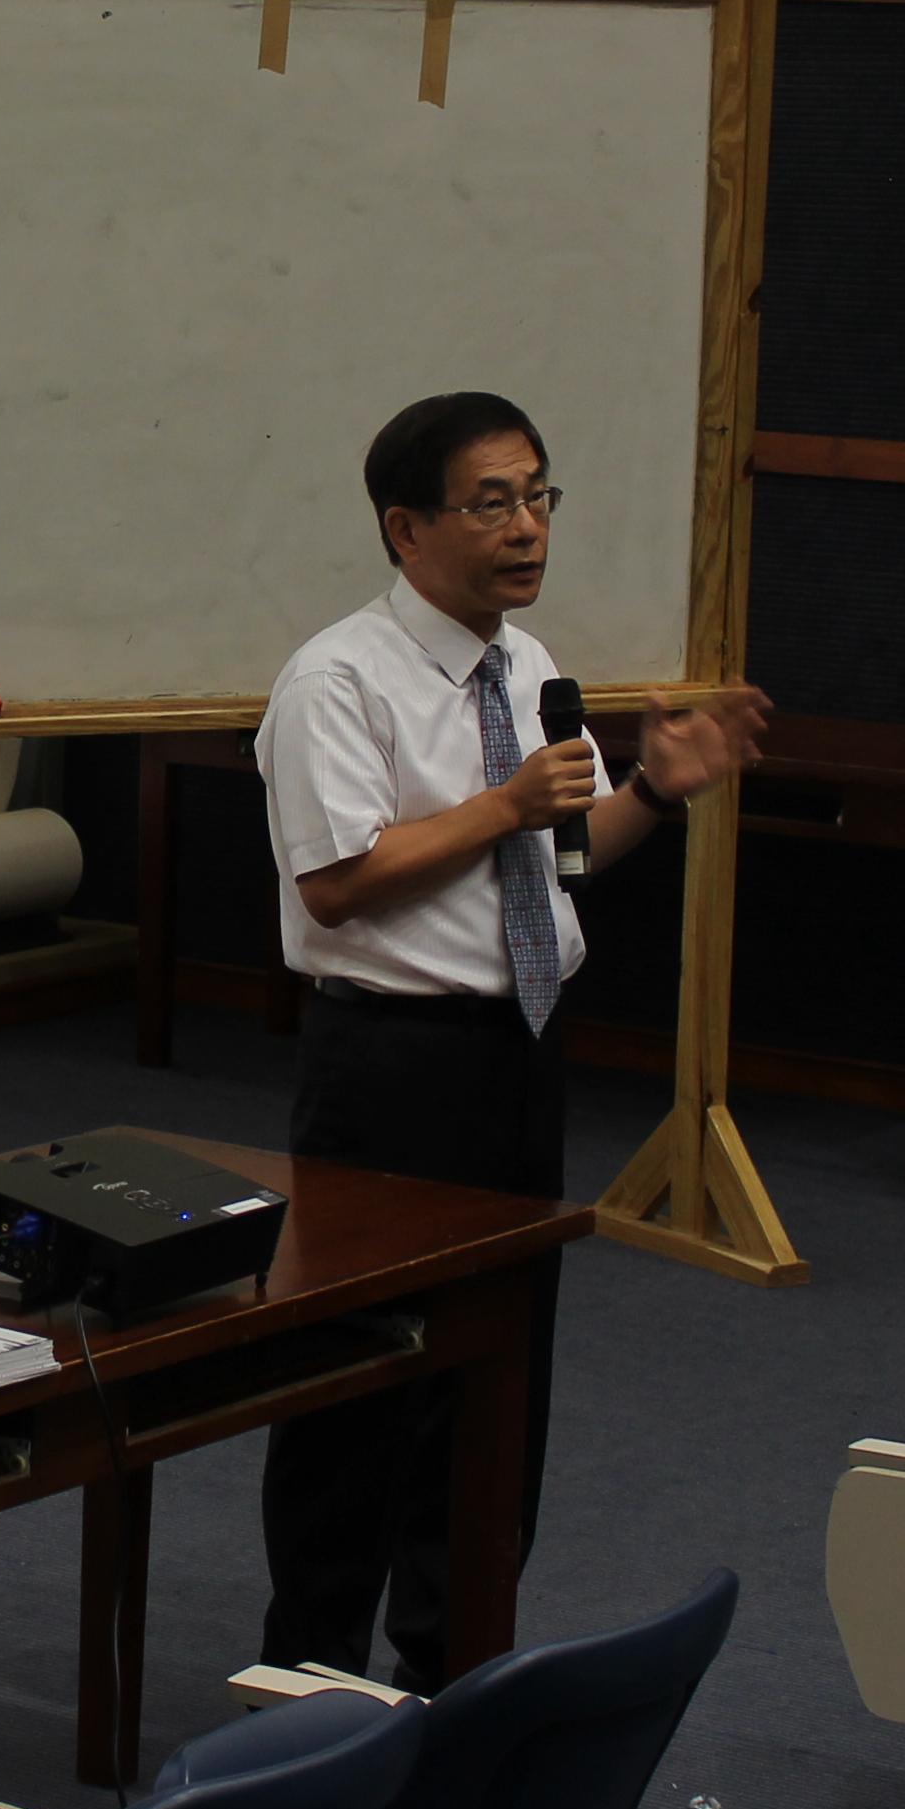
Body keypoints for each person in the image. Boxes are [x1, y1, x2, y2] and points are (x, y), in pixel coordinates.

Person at [250, 390, 768, 1686]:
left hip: (519, 1054)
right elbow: (337, 882)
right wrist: (505, 804)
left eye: (539, 497)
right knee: (359, 1382)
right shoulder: (337, 681)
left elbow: (562, 859)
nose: (528, 528)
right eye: (492, 504)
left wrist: (655, 789)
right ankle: (307, 1676)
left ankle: (455, 1664)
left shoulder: (526, 667)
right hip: (390, 1066)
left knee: (494, 1381)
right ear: (406, 527)